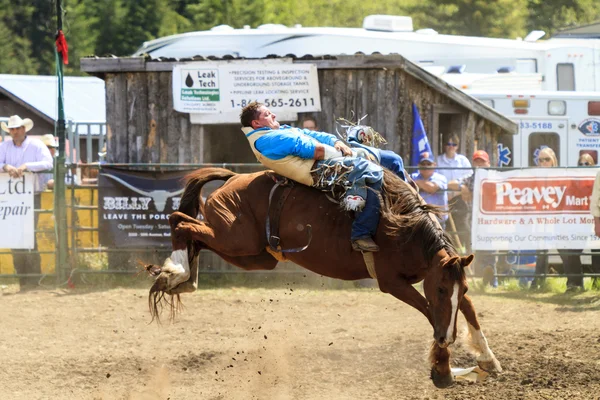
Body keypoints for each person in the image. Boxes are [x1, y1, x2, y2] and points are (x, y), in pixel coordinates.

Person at [240, 102, 383, 252]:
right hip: (319, 171)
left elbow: (314, 135)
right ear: (256, 123)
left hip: (329, 159)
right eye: (267, 114)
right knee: (371, 170)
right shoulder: (268, 140)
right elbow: (317, 151)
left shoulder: (279, 130)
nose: (273, 115)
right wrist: (352, 153)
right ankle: (361, 233)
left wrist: (336, 141)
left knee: (393, 160)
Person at [0, 115, 53, 291]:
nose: (15, 132)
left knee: (29, 235)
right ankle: (24, 279)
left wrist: (26, 166)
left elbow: (48, 162)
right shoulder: (4, 146)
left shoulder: (37, 145)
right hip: (9, 198)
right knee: (16, 238)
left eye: (17, 128)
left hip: (30, 195)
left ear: (24, 129)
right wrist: (5, 167)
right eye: (12, 129)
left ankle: (33, 279)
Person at [530, 147, 584, 291]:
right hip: (542, 219)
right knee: (541, 252)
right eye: (540, 160)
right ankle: (537, 283)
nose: (543, 162)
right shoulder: (534, 177)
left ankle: (574, 283)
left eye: (546, 159)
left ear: (554, 160)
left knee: (565, 251)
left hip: (559, 220)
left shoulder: (562, 175)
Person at [449, 150, 498, 286]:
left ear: (488, 163)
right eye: (476, 161)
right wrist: (463, 187)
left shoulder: (494, 177)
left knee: (490, 248)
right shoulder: (470, 178)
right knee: (476, 249)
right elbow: (451, 184)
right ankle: (481, 278)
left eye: (482, 161)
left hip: (490, 219)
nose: (479, 164)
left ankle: (492, 279)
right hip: (474, 220)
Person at [436, 134, 472, 250]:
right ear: (444, 145)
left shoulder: (463, 160)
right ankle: (452, 251)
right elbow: (437, 178)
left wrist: (457, 185)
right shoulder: (438, 160)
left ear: (457, 146)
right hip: (443, 197)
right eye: (448, 144)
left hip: (459, 196)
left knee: (464, 225)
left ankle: (468, 251)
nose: (451, 147)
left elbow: (469, 177)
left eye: (454, 144)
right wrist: (450, 186)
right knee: (448, 228)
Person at [410, 152, 448, 227]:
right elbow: (405, 187)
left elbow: (432, 188)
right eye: (423, 164)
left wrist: (416, 183)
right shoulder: (413, 176)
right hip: (418, 222)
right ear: (418, 166)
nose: (426, 166)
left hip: (437, 222)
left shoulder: (441, 178)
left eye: (428, 164)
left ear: (434, 165)